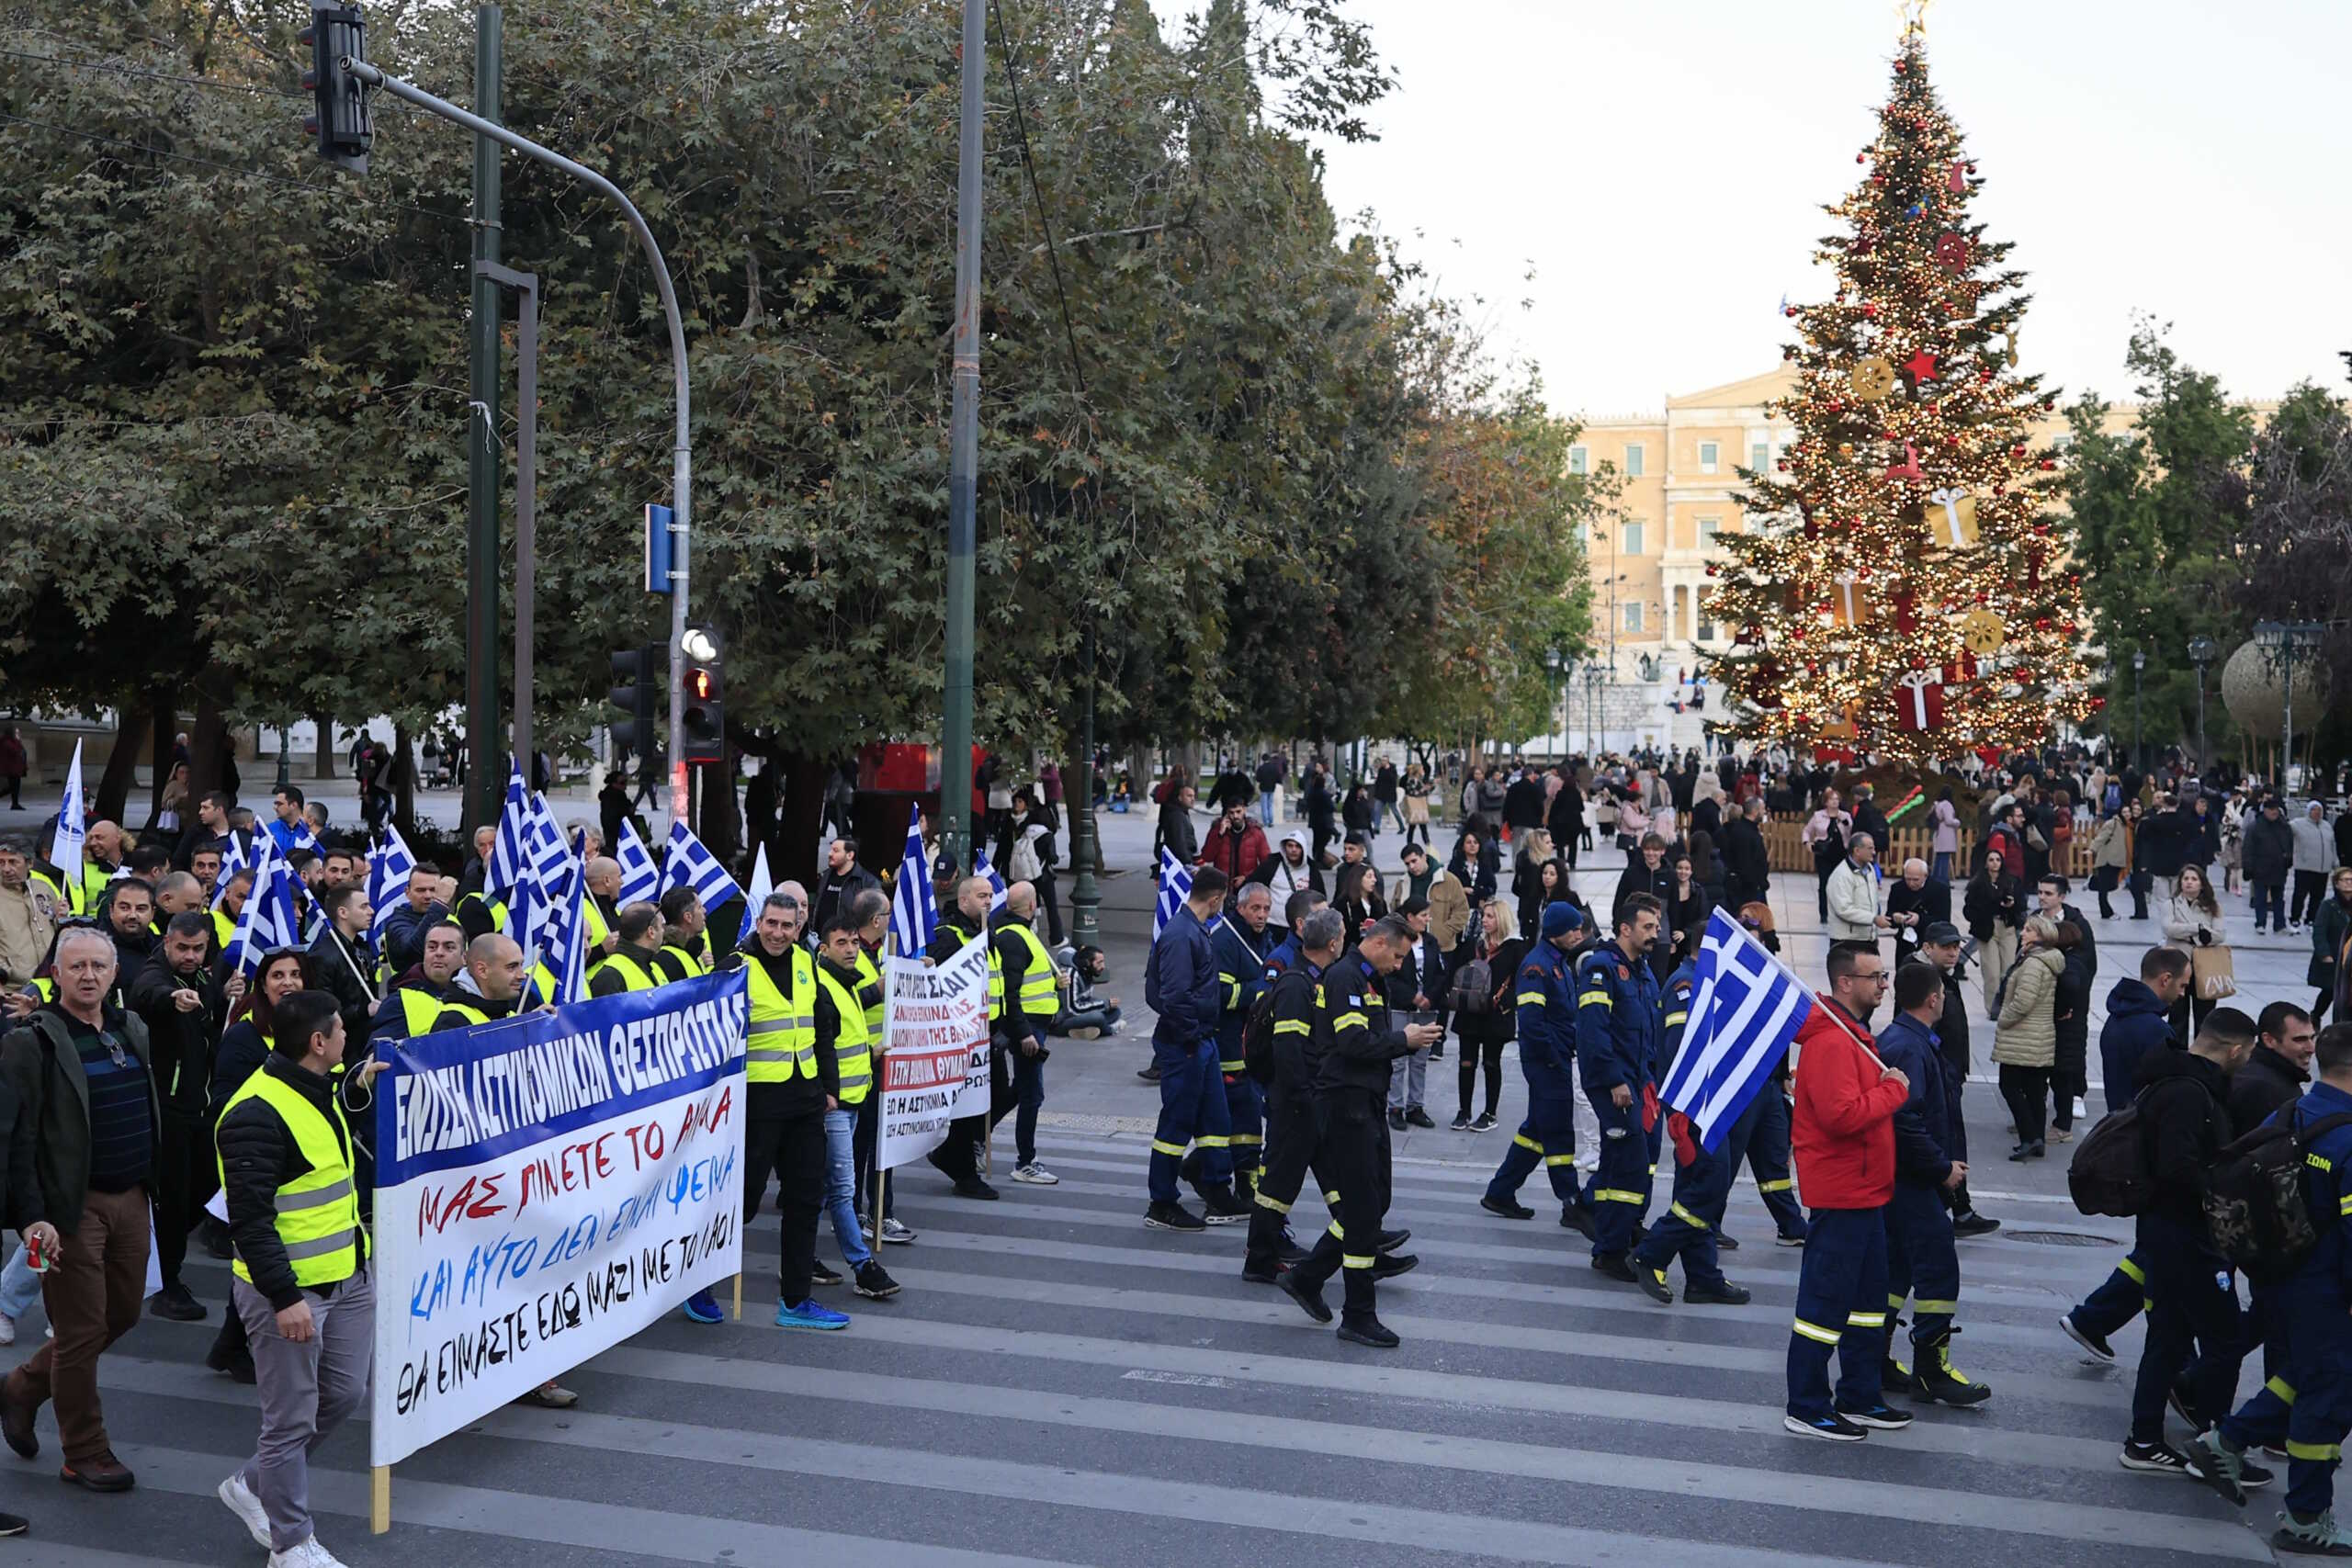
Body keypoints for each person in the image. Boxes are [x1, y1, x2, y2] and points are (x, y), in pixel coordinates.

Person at [213, 987, 382, 1568]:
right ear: (318, 1042)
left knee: (342, 1395)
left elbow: (328, 1154)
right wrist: (284, 1298)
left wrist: (357, 1086)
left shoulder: (318, 1086)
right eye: (340, 1033)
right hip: (290, 1296)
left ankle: (252, 1484)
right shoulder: (256, 1113)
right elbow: (250, 1221)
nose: (346, 1040)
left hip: (347, 1279)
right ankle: (291, 1544)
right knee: (288, 1423)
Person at [0, 927, 155, 1491]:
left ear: (114, 974)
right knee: (81, 1330)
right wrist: (32, 1216)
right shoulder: (31, 1041)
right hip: (69, 1210)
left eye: (98, 965)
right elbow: (16, 1138)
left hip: (132, 1197)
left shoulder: (130, 1028)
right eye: (76, 966)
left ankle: (21, 1387)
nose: (88, 975)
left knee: (122, 1315)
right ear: (56, 974)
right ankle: (84, 1452)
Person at [2191, 1021, 2352, 1552]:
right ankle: (2305, 1518)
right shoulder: (2349, 1135)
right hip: (2328, 1285)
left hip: (2282, 1275)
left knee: (2302, 1373)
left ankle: (2227, 1440)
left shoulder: (2295, 1112)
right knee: (2326, 1395)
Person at [1272, 915, 1434, 1348]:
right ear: (1378, 943)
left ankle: (1307, 1278)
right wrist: (1406, 1040)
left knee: (1373, 1202)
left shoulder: (1365, 980)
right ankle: (1358, 1313)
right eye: (1397, 955)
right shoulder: (1344, 978)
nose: (1398, 966)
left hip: (1364, 1104)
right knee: (1362, 1211)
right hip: (1345, 1106)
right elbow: (1353, 1044)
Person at [2118, 1008, 2257, 1478]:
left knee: (2170, 1337)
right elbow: (2178, 1167)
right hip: (2184, 1235)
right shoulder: (2186, 1091)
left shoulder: (2176, 1078)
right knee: (2225, 1340)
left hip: (2166, 1231)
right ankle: (2213, 1447)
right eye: (2248, 1052)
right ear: (2234, 1049)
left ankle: (2144, 1440)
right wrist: (2222, 1194)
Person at [1782, 942, 1913, 1442]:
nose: (1884, 984)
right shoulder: (1832, 1042)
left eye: (1884, 975)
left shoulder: (1853, 1034)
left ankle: (1859, 1395)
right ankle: (1806, 1404)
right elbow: (1841, 1116)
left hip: (1866, 1192)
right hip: (1841, 1194)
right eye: (1876, 976)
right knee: (1824, 1304)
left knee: (1866, 1304)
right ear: (1845, 984)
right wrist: (1893, 1090)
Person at [713, 893, 844, 1331]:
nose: (778, 933)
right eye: (771, 924)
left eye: (787, 926)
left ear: (799, 928)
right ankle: (698, 1284)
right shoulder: (735, 966)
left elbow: (821, 1026)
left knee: (807, 1199)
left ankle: (796, 1299)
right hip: (757, 1102)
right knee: (742, 1202)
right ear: (759, 922)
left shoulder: (807, 962)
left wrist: (830, 1086)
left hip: (805, 1096)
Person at [1873, 962, 1991, 1406]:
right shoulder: (1909, 1046)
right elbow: (1904, 1120)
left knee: (1897, 1270)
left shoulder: (1909, 1041)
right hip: (1914, 1182)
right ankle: (1931, 1368)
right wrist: (1942, 1168)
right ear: (1933, 997)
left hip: (1907, 1179)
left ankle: (1876, 1356)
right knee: (1938, 1271)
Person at [1623, 952, 1750, 1307]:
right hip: (1696, 1107)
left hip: (1706, 1105)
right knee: (1709, 1186)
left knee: (1696, 1188)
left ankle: (1702, 1277)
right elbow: (1681, 1046)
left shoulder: (1702, 983)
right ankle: (1651, 1252)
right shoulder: (1687, 985)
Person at [128, 911, 226, 1325]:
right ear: (166, 942)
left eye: (197, 948)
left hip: (200, 1107)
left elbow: (210, 1023)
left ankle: (155, 1261)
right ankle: (167, 1282)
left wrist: (224, 994)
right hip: (168, 1110)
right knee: (172, 1200)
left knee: (204, 1190)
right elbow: (148, 993)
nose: (188, 955)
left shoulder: (204, 978)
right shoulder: (155, 975)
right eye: (181, 948)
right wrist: (173, 999)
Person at [1240, 907, 1344, 1283]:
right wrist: (1304, 1099)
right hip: (1296, 1103)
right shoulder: (1298, 984)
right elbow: (1288, 1050)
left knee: (1334, 1174)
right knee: (1278, 1186)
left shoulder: (1310, 978)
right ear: (1333, 944)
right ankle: (1260, 1259)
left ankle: (1363, 1242)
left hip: (1305, 1099)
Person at [807, 908, 899, 1301]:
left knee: (824, 1191)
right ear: (823, 949)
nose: (850, 950)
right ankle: (863, 1267)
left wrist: (872, 1051)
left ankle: (799, 1256)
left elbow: (843, 1042)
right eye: (841, 943)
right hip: (835, 1106)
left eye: (854, 943)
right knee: (843, 1190)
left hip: (852, 1100)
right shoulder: (823, 987)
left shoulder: (844, 984)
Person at [1143, 867, 1243, 1229]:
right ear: (1216, 898)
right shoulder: (1181, 935)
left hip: (1202, 1040)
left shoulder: (1193, 930)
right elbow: (1174, 996)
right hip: (1185, 1043)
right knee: (1176, 1124)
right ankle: (1162, 1202)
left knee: (1214, 1120)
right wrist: (1189, 1036)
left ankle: (1217, 1191)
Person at [1577, 894, 1664, 1277]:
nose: (1655, 934)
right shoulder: (1602, 968)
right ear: (1625, 929)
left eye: (1657, 927)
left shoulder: (1643, 970)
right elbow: (1594, 1032)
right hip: (1615, 1084)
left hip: (1639, 1082)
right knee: (1628, 1165)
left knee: (1629, 1162)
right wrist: (1615, 1079)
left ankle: (1619, 1226)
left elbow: (1648, 1031)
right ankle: (1609, 1251)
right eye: (1648, 927)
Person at [921, 878, 1005, 1196]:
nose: (988, 901)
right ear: (964, 900)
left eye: (991, 896)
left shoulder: (986, 933)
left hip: (988, 1035)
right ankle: (964, 1171)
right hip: (961, 1036)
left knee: (997, 1095)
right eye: (982, 896)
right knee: (971, 1104)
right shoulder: (948, 936)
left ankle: (952, 1155)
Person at [1918, 922, 1996, 1236]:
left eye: (1955, 946)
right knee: (1945, 1141)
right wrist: (1943, 1071)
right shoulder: (1923, 979)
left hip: (1950, 1071)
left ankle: (1960, 1208)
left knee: (1950, 1141)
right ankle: (1951, 1209)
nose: (1953, 952)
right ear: (1928, 947)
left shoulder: (1943, 977)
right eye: (1946, 947)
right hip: (1940, 1074)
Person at [1990, 914, 2064, 1160]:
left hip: (2023, 1035)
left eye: (2029, 930)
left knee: (2009, 1086)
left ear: (2041, 935)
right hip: (2039, 1035)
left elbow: (2023, 1001)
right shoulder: (2045, 960)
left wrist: (2004, 1018)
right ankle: (2037, 1140)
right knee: (2034, 1091)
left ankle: (2028, 1138)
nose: (2023, 933)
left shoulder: (2034, 963)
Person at [1451, 900, 1521, 1132]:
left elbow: (1520, 982)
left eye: (1490, 916)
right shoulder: (1473, 944)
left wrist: (1505, 1003)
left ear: (1501, 918)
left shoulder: (1516, 948)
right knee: (1466, 1063)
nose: (1485, 920)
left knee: (1491, 1064)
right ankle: (1463, 1110)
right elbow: (1455, 971)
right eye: (1484, 916)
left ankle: (1490, 1113)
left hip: (1495, 1016)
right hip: (1469, 1013)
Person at [1383, 897, 1444, 1132]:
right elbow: (1390, 976)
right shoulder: (1398, 941)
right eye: (1423, 915)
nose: (1427, 919)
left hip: (1427, 1010)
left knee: (1420, 1061)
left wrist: (1430, 996)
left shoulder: (1430, 942)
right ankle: (1395, 1107)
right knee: (1398, 1060)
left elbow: (1440, 973)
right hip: (1402, 1006)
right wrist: (1412, 996)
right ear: (1410, 917)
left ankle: (1415, 1106)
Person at [2227, 1001, 2316, 1138]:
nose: (2311, 1049)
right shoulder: (2263, 1089)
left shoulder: (2275, 1075)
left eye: (2312, 1038)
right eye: (2300, 1040)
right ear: (2269, 1040)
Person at [369, 919, 465, 1041]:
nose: (439, 953)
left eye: (449, 947)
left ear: (464, 957)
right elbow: (379, 1049)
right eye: (432, 947)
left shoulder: (481, 995)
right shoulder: (399, 1002)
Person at [2047, 920, 2095, 1143]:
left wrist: (2062, 1009)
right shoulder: (2075, 960)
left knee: (2061, 1078)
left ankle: (2062, 1126)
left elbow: (2070, 986)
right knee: (2060, 1078)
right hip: (2071, 1029)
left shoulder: (2071, 964)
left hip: (2067, 1030)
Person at [1963, 847, 2025, 1015]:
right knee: (1991, 972)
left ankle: (2008, 1005)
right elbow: (1969, 910)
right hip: (1987, 928)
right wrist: (1989, 908)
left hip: (2007, 927)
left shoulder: (2012, 881)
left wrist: (2011, 905)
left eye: (1998, 860)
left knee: (2009, 969)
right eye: (1991, 860)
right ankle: (1993, 1008)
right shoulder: (1977, 884)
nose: (1995, 863)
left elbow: (2022, 905)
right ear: (1985, 863)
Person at [1826, 832, 1889, 953]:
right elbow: (1844, 909)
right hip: (1847, 941)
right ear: (1857, 851)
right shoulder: (1841, 875)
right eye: (1870, 848)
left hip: (1868, 939)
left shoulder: (1870, 869)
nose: (1874, 852)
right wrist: (1873, 919)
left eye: (1874, 848)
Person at [1883, 859, 1950, 969]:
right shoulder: (1897, 888)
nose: (1911, 883)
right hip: (1905, 943)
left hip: (1930, 943)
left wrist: (1919, 920)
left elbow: (1944, 921)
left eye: (1916, 880)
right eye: (1908, 879)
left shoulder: (1940, 890)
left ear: (1925, 875)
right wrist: (1895, 917)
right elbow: (1889, 915)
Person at [1801, 787, 1853, 922]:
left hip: (1841, 853)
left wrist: (1846, 823)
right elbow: (1807, 830)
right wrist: (1807, 842)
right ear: (1826, 802)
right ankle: (1823, 914)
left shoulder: (1845, 816)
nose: (1835, 802)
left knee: (1840, 884)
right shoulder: (1818, 815)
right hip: (1823, 853)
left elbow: (1851, 832)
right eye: (1832, 799)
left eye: (1837, 799)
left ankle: (1839, 911)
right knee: (1824, 883)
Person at [2245, 799, 2294, 935]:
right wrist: (2248, 866)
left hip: (2279, 867)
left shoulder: (2284, 826)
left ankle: (2279, 925)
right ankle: (2260, 923)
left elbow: (2290, 844)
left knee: (2279, 898)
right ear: (2264, 810)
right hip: (2260, 867)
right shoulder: (2255, 826)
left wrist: (2289, 859)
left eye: (2276, 809)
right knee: (2260, 898)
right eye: (2271, 809)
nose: (2274, 812)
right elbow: (2248, 847)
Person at [2312, 865, 2352, 1028]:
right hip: (2334, 956)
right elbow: (2319, 931)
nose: (2349, 883)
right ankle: (2316, 1015)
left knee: (2346, 993)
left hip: (2350, 959)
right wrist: (2325, 955)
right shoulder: (2329, 906)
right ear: (2336, 883)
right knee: (2330, 991)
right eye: (2346, 880)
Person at [2290, 802, 2334, 932]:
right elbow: (2285, 828)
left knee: (2318, 896)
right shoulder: (2298, 824)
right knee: (2300, 894)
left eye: (2319, 810)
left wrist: (2334, 861)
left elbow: (2332, 845)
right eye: (2314, 810)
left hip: (2323, 868)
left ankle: (2311, 919)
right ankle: (2295, 918)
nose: (2317, 812)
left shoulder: (2326, 826)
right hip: (2305, 867)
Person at [1927, 789, 1960, 884]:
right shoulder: (1947, 804)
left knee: (1939, 857)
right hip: (1946, 833)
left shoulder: (1937, 804)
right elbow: (1949, 820)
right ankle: (1943, 880)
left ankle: (1935, 878)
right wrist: (1957, 822)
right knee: (1945, 857)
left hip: (1939, 831)